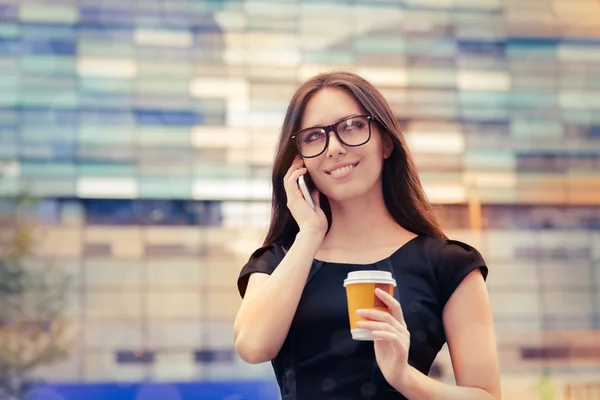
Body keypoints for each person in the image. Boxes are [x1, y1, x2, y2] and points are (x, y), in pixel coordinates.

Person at [233, 71, 501, 400]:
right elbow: (253, 346)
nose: (334, 148)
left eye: (352, 126)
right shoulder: (279, 260)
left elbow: (486, 396)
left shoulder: (448, 264)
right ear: (299, 162)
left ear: (386, 142)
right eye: (314, 136)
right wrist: (310, 234)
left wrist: (404, 377)